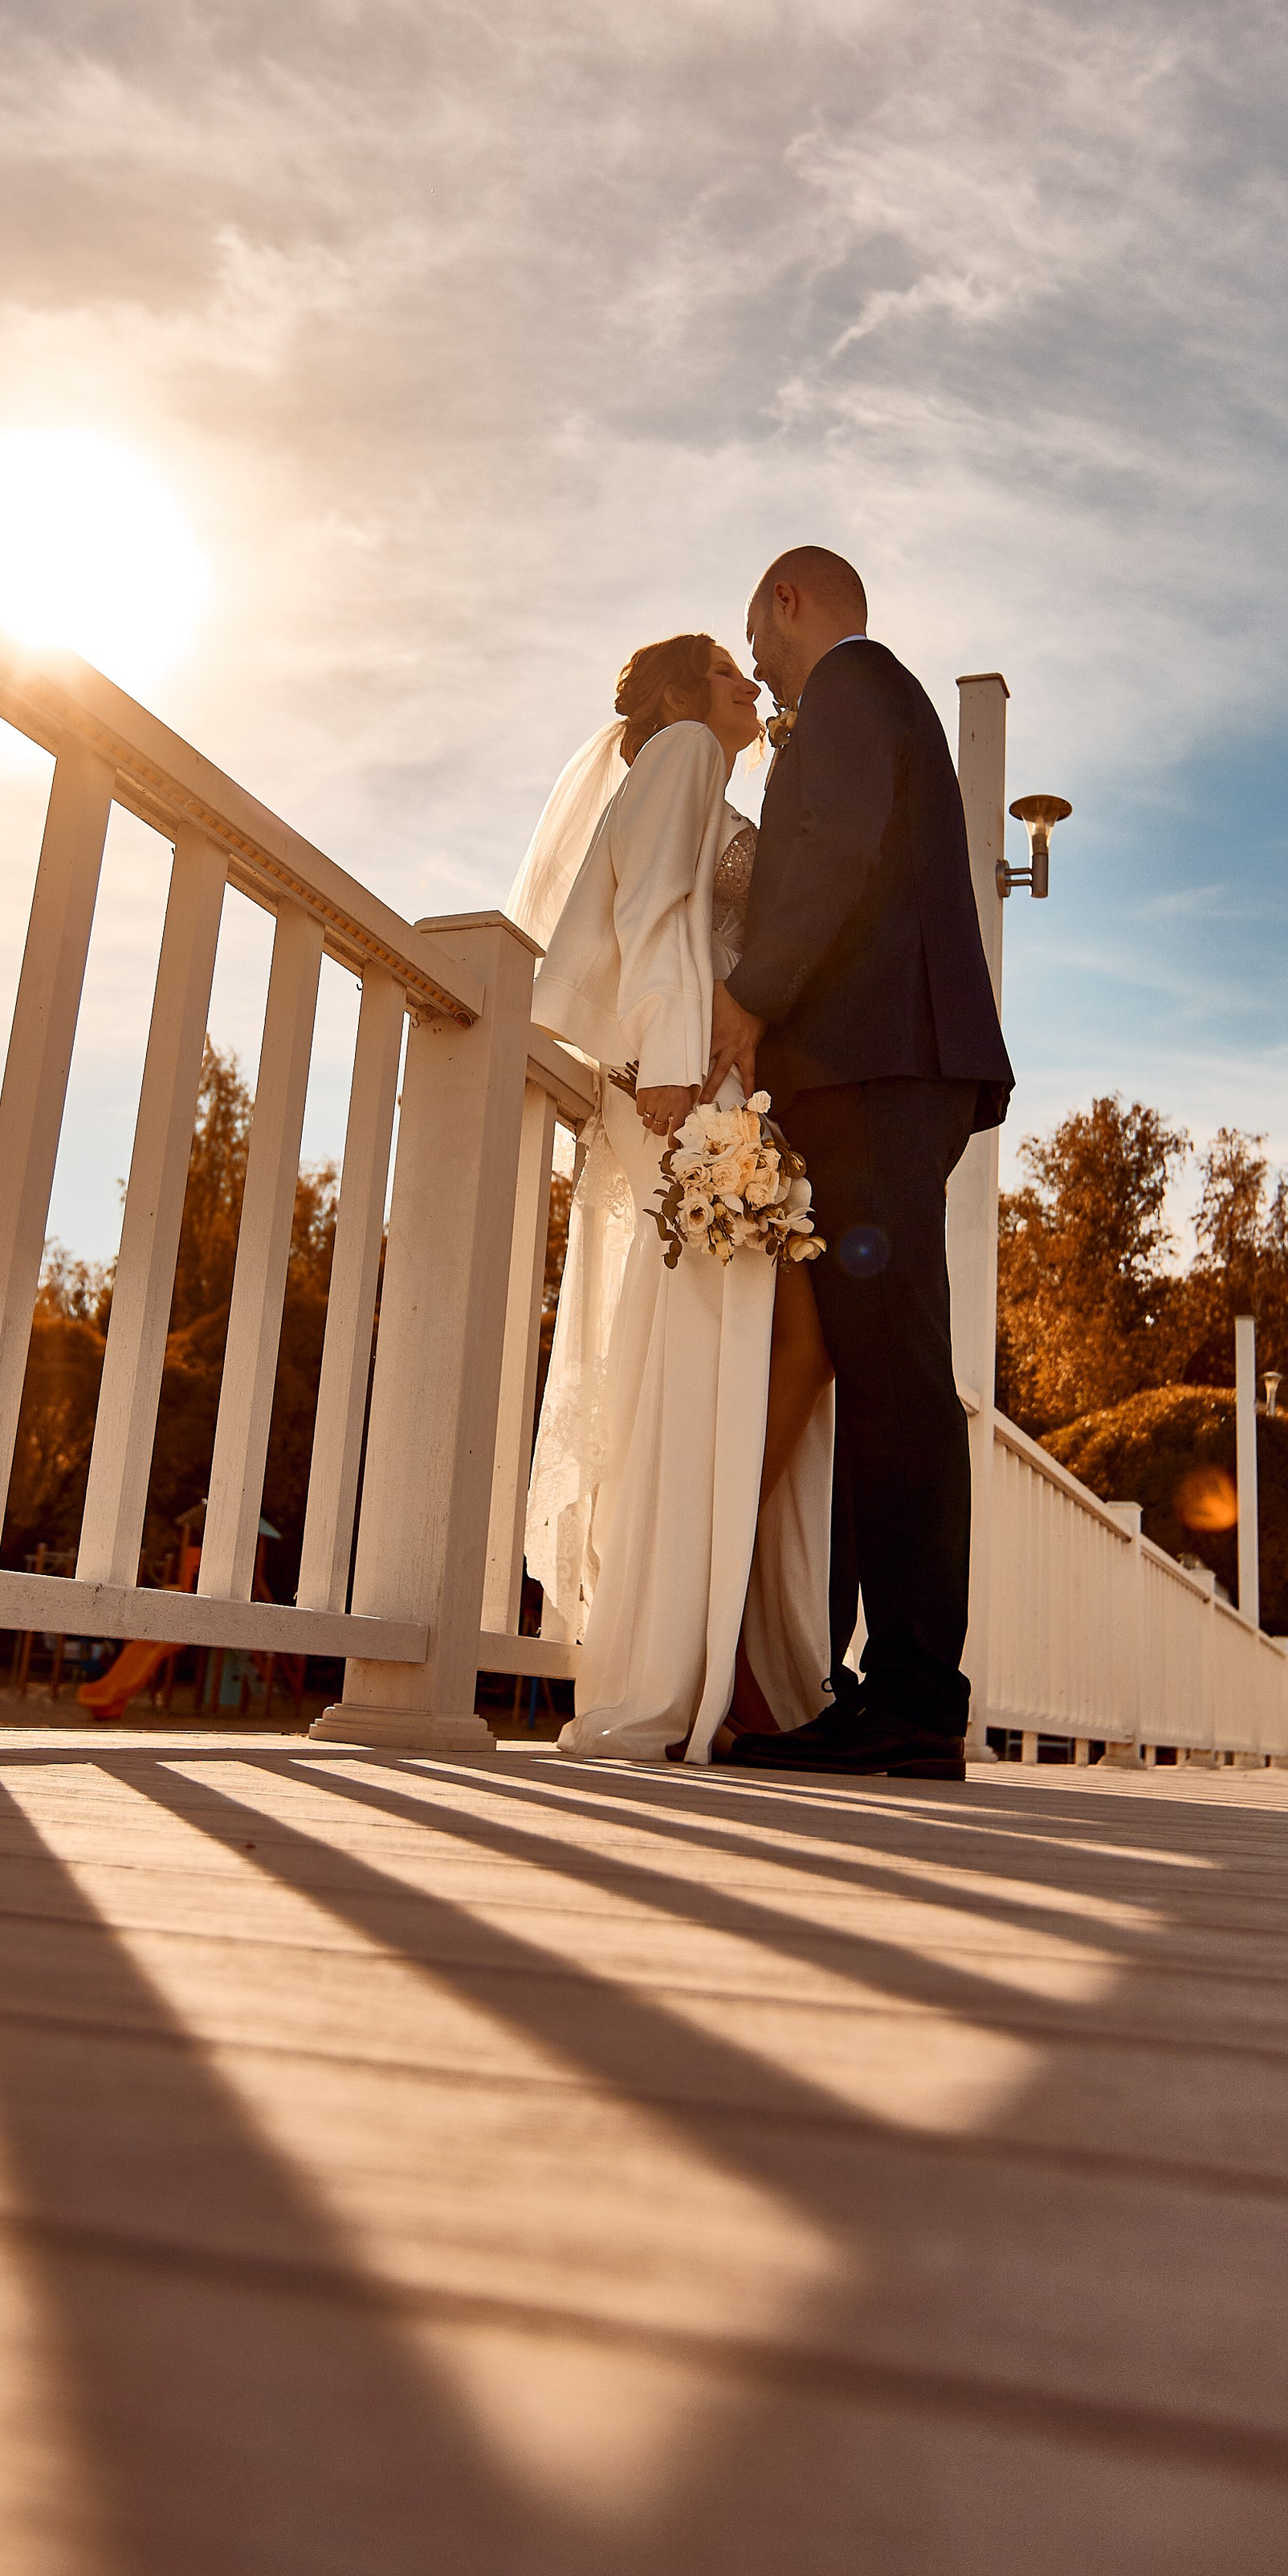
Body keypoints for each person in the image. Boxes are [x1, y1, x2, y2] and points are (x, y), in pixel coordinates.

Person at [706, 547, 1013, 1781]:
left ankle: (917, 1698)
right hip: (884, 1070)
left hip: (879, 1068)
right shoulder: (873, 700)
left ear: (788, 601)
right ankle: (875, 1689)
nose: (763, 668)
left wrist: (748, 997)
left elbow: (831, 854)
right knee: (882, 1374)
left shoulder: (854, 685)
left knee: (898, 1378)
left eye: (758, 637)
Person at [512, 634, 835, 1762]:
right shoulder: (685, 751)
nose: (749, 686)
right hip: (686, 1097)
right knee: (744, 1358)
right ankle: (702, 1646)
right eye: (728, 671)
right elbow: (650, 906)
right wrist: (661, 1059)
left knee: (751, 1361)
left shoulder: (704, 772)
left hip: (712, 1091)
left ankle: (717, 1629)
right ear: (682, 695)